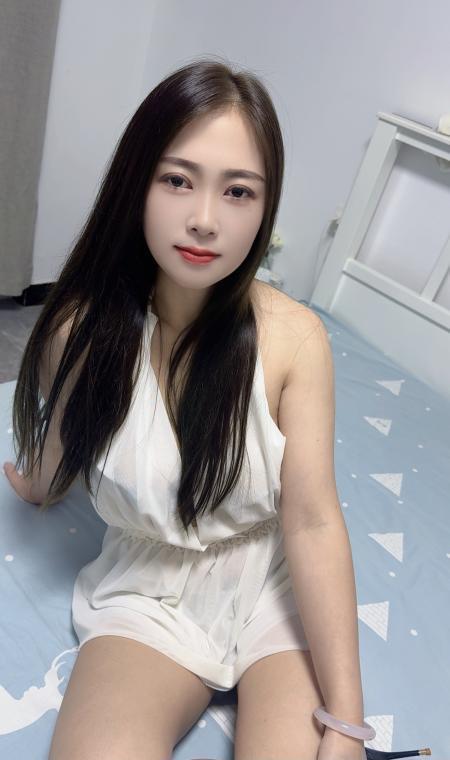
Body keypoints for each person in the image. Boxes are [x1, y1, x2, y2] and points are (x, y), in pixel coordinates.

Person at [4, 57, 368, 759]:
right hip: (149, 587)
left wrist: (348, 723)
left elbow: (314, 520)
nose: (204, 220)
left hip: (273, 582)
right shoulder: (77, 333)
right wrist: (39, 481)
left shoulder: (295, 339)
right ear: (136, 182)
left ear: (265, 208)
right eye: (178, 180)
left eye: (238, 191)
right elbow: (71, 429)